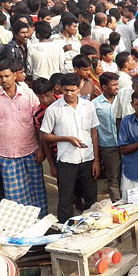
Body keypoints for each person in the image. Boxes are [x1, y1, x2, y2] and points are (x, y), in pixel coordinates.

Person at [40, 73, 100, 223]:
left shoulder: (88, 106)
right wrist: (66, 139)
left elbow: (94, 132)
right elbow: (44, 135)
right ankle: (65, 232)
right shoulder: (54, 109)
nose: (69, 94)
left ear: (79, 88)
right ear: (60, 89)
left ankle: (93, 228)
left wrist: (96, 160)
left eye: (72, 90)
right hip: (66, 160)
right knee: (66, 199)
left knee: (91, 197)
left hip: (87, 158)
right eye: (66, 90)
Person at [0, 60, 47, 216]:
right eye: (0, 77)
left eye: (7, 76)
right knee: (15, 199)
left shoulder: (28, 95)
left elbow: (39, 124)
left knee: (37, 194)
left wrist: (40, 148)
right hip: (7, 156)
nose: (4, 80)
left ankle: (41, 230)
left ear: (15, 75)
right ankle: (23, 234)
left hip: (31, 151)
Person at [92, 72, 121, 201]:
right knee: (113, 177)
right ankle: (117, 204)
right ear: (104, 87)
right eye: (113, 85)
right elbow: (93, 129)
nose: (116, 87)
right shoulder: (95, 104)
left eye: (117, 84)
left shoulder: (122, 100)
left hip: (125, 144)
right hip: (108, 146)